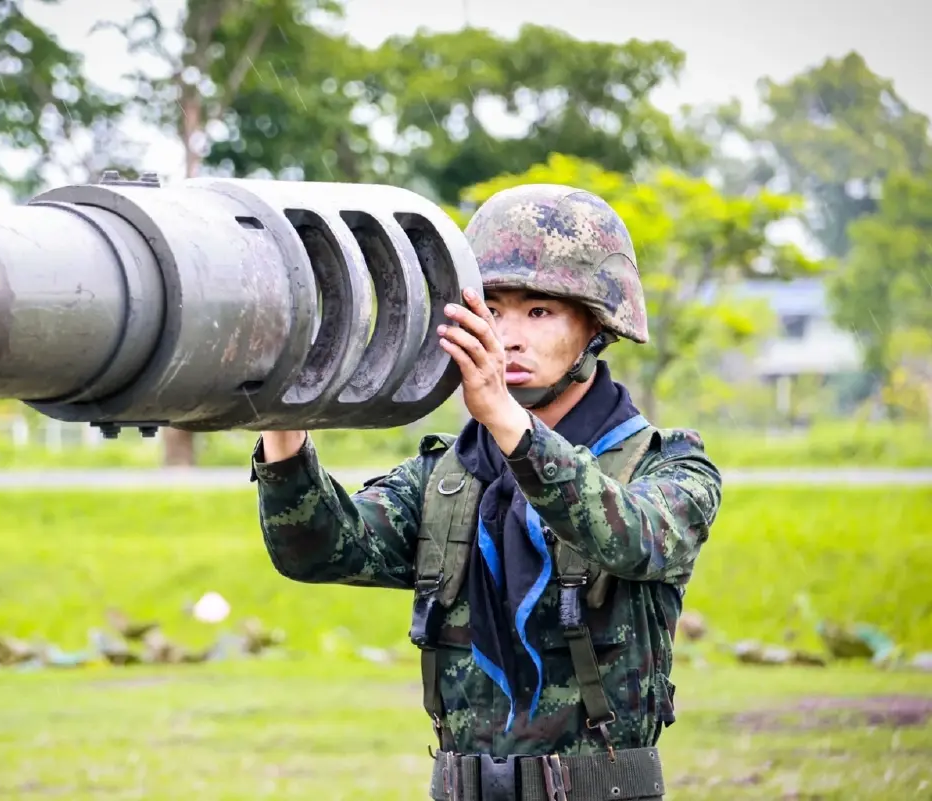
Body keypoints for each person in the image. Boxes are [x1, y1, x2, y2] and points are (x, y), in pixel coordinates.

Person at [249, 184, 722, 801]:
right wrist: (285, 419)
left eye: (540, 312)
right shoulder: (448, 476)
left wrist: (506, 420)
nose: (509, 336)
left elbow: (632, 537)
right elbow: (318, 549)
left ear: (598, 326)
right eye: (491, 310)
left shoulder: (667, 466)